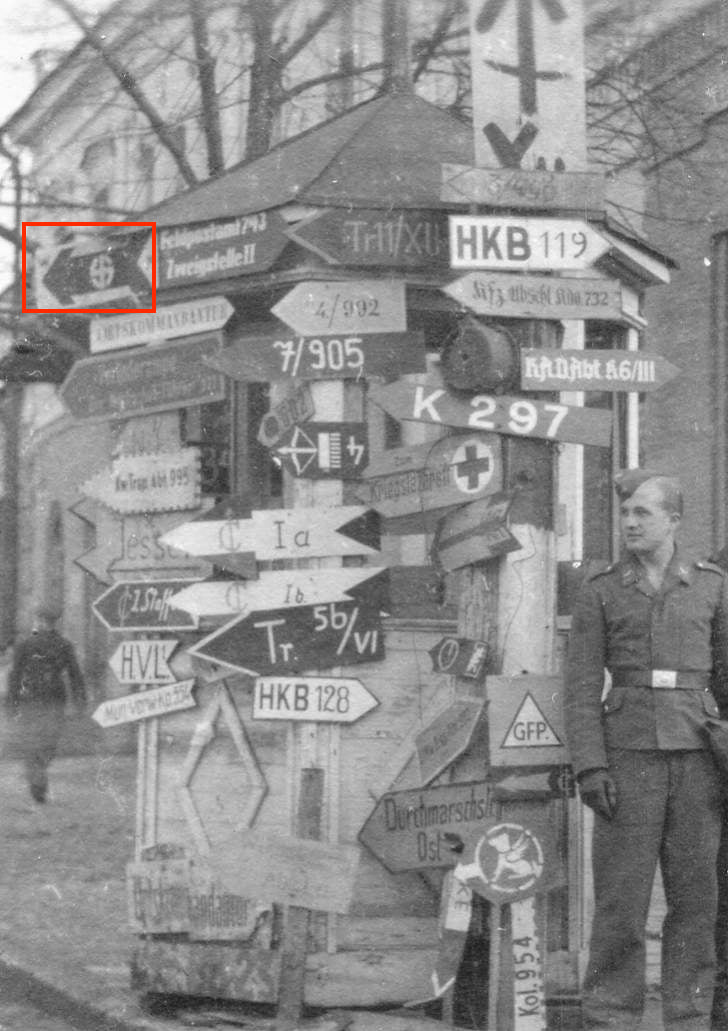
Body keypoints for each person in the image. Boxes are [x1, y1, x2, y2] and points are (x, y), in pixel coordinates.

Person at [565, 469, 728, 1031]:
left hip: (697, 758)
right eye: (626, 513)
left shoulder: (711, 586)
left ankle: (687, 1016)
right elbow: (582, 685)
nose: (630, 523)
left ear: (674, 520)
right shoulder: (602, 589)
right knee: (620, 903)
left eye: (643, 513)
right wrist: (590, 764)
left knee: (695, 901)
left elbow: (727, 682)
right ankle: (610, 1017)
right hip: (627, 757)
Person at [5, 605, 86, 803]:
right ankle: (38, 784)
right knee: (41, 744)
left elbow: (75, 674)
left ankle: (37, 778)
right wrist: (11, 703)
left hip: (43, 700)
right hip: (41, 700)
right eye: (41, 620)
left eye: (44, 621)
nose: (42, 624)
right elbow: (15, 675)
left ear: (46, 622)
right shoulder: (37, 645)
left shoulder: (52, 645)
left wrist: (79, 700)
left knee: (42, 744)